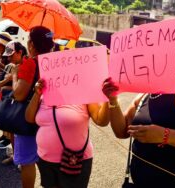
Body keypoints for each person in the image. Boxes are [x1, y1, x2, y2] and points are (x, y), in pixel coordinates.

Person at [101, 78, 175, 187]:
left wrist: (165, 135)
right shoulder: (144, 96)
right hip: (139, 181)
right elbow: (121, 132)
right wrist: (112, 100)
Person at [25, 81, 110, 187]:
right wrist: (36, 94)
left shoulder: (84, 91)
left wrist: (109, 100)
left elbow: (101, 121)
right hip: (45, 159)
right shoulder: (45, 90)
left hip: (74, 161)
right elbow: (29, 118)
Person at [11, 26, 53, 188]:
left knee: (28, 161)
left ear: (32, 45)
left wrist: (15, 74)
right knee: (47, 161)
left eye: (28, 40)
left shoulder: (30, 63)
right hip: (51, 118)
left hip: (29, 119)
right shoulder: (56, 63)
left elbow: (19, 94)